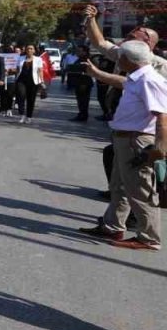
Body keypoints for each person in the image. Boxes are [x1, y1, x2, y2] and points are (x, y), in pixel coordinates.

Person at [76, 41, 166, 252]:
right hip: (125, 140)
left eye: (120, 57)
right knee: (119, 186)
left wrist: (160, 150)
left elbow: (163, 117)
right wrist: (97, 73)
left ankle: (149, 238)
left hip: (137, 142)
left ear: (127, 60)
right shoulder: (139, 77)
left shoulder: (150, 81)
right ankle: (113, 226)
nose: (117, 61)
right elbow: (121, 82)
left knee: (140, 190)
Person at [15, 45, 45, 124]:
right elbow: (18, 69)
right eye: (28, 48)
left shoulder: (38, 59)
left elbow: (40, 71)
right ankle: (22, 115)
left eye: (31, 49)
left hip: (33, 82)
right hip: (21, 81)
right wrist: (15, 77)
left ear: (34, 51)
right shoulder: (21, 58)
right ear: (26, 50)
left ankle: (29, 117)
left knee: (31, 99)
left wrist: (42, 82)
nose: (29, 50)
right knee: (21, 96)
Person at [67, 46, 94, 122]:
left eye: (79, 51)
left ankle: (83, 116)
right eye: (77, 51)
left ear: (84, 52)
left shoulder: (87, 60)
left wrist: (84, 84)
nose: (77, 52)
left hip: (84, 84)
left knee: (84, 101)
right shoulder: (80, 59)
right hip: (79, 83)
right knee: (80, 100)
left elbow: (87, 72)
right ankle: (81, 114)